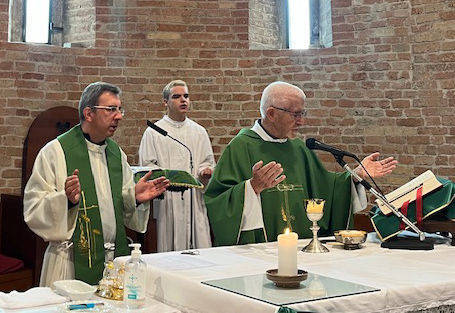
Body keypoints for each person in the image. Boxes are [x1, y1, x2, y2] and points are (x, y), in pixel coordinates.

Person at [204, 81, 398, 246]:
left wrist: (356, 175)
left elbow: (326, 187)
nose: (301, 121)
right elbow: (217, 201)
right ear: (271, 114)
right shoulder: (241, 146)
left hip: (302, 247)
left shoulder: (298, 148)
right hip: (260, 250)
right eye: (295, 114)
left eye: (302, 113)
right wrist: (251, 188)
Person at [23, 82, 170, 286]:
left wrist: (134, 198)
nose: (118, 116)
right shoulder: (55, 152)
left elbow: (117, 211)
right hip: (71, 263)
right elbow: (33, 208)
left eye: (120, 109)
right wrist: (66, 201)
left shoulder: (116, 154)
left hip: (112, 263)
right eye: (111, 109)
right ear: (89, 113)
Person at [138, 80, 215, 252]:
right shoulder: (154, 132)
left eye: (186, 96)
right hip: (168, 201)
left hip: (194, 199)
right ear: (165, 102)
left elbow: (207, 161)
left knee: (199, 250)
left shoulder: (199, 131)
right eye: (177, 96)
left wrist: (205, 172)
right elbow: (147, 167)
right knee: (169, 251)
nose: (183, 100)